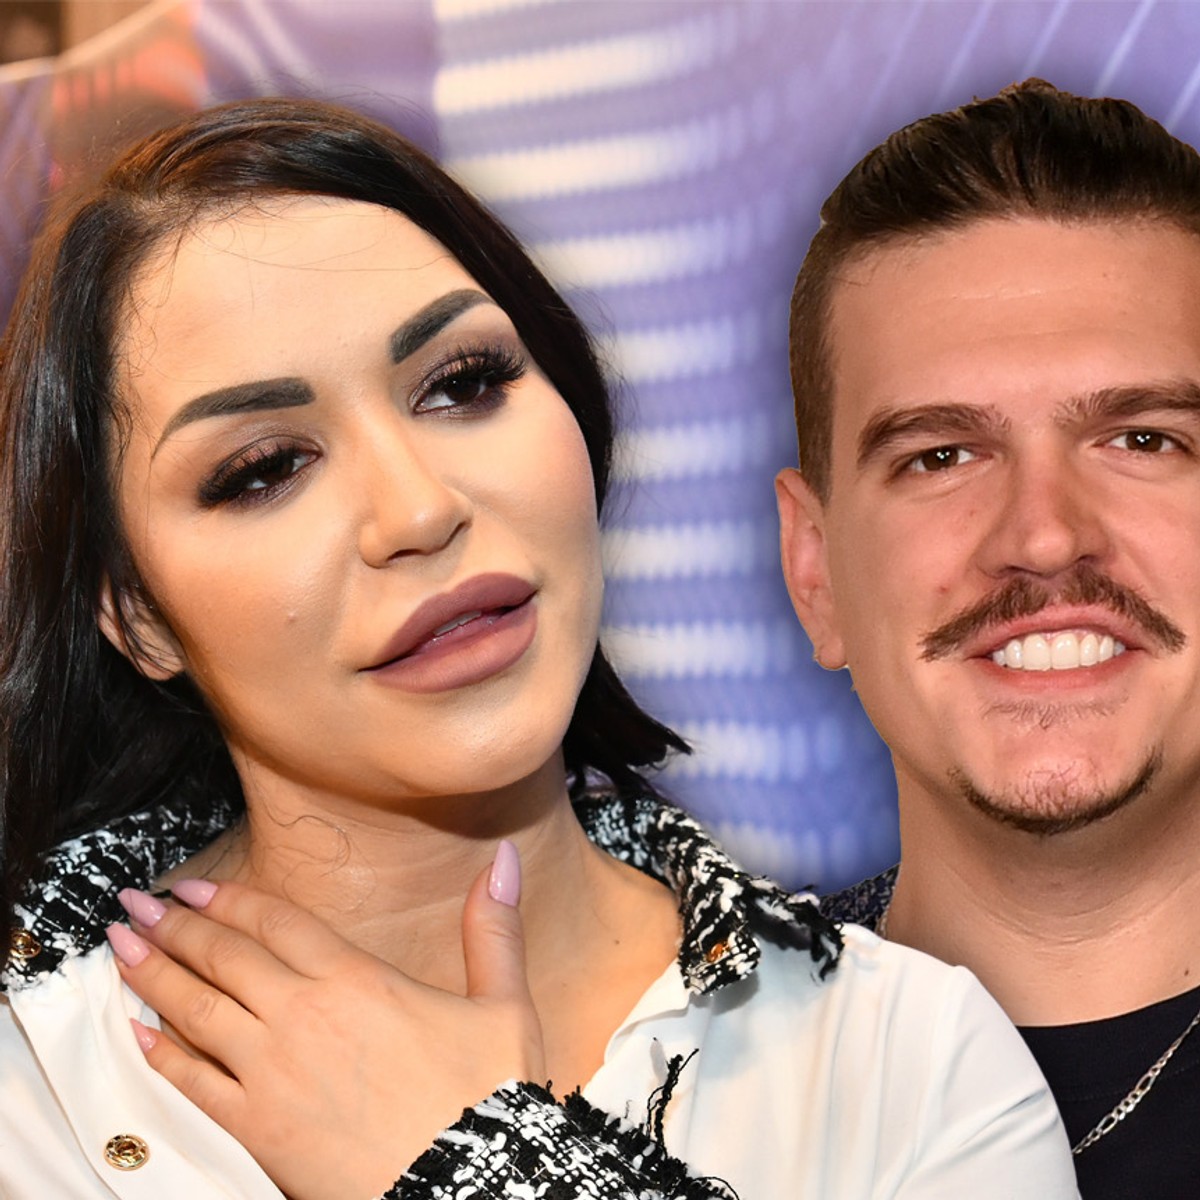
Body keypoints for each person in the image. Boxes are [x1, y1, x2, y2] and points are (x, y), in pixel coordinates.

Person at [0, 97, 1074, 1200]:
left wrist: (484, 1164)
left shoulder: (911, 1065)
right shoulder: (29, 1094)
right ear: (135, 613)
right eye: (265, 468)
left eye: (463, 384)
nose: (420, 509)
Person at [777, 78, 1200, 1198]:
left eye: (1142, 439)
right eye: (941, 456)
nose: (1046, 538)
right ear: (815, 572)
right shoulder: (653, 1080)